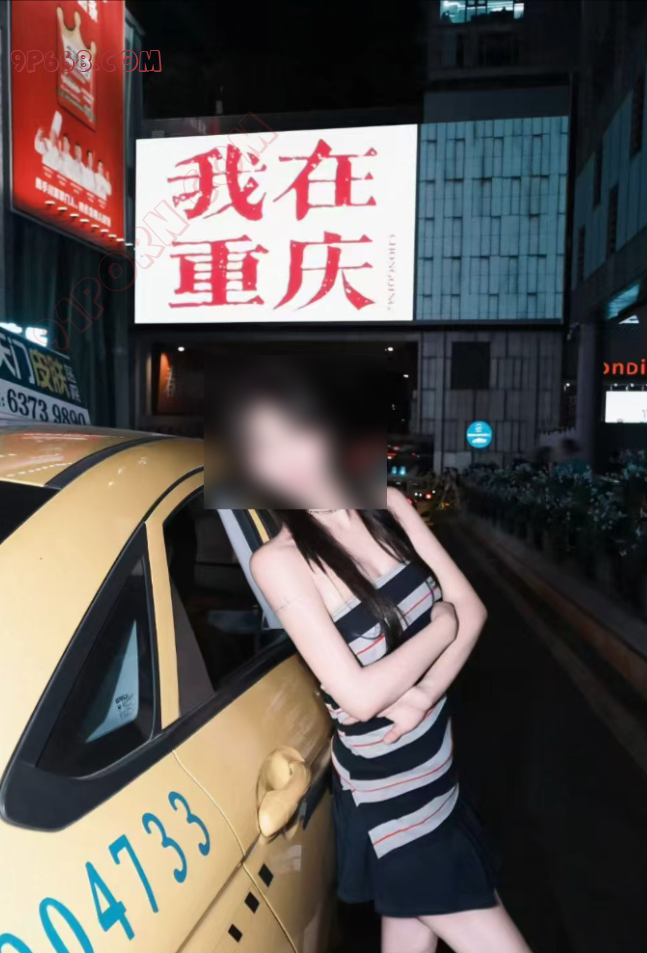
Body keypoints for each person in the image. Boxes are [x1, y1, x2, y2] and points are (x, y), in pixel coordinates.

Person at [216, 363, 534, 953]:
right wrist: (440, 629)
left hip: (439, 773)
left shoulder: (386, 505)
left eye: (294, 432)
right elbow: (360, 697)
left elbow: (473, 607)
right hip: (394, 800)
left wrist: (421, 696)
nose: (284, 460)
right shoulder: (280, 561)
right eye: (261, 448)